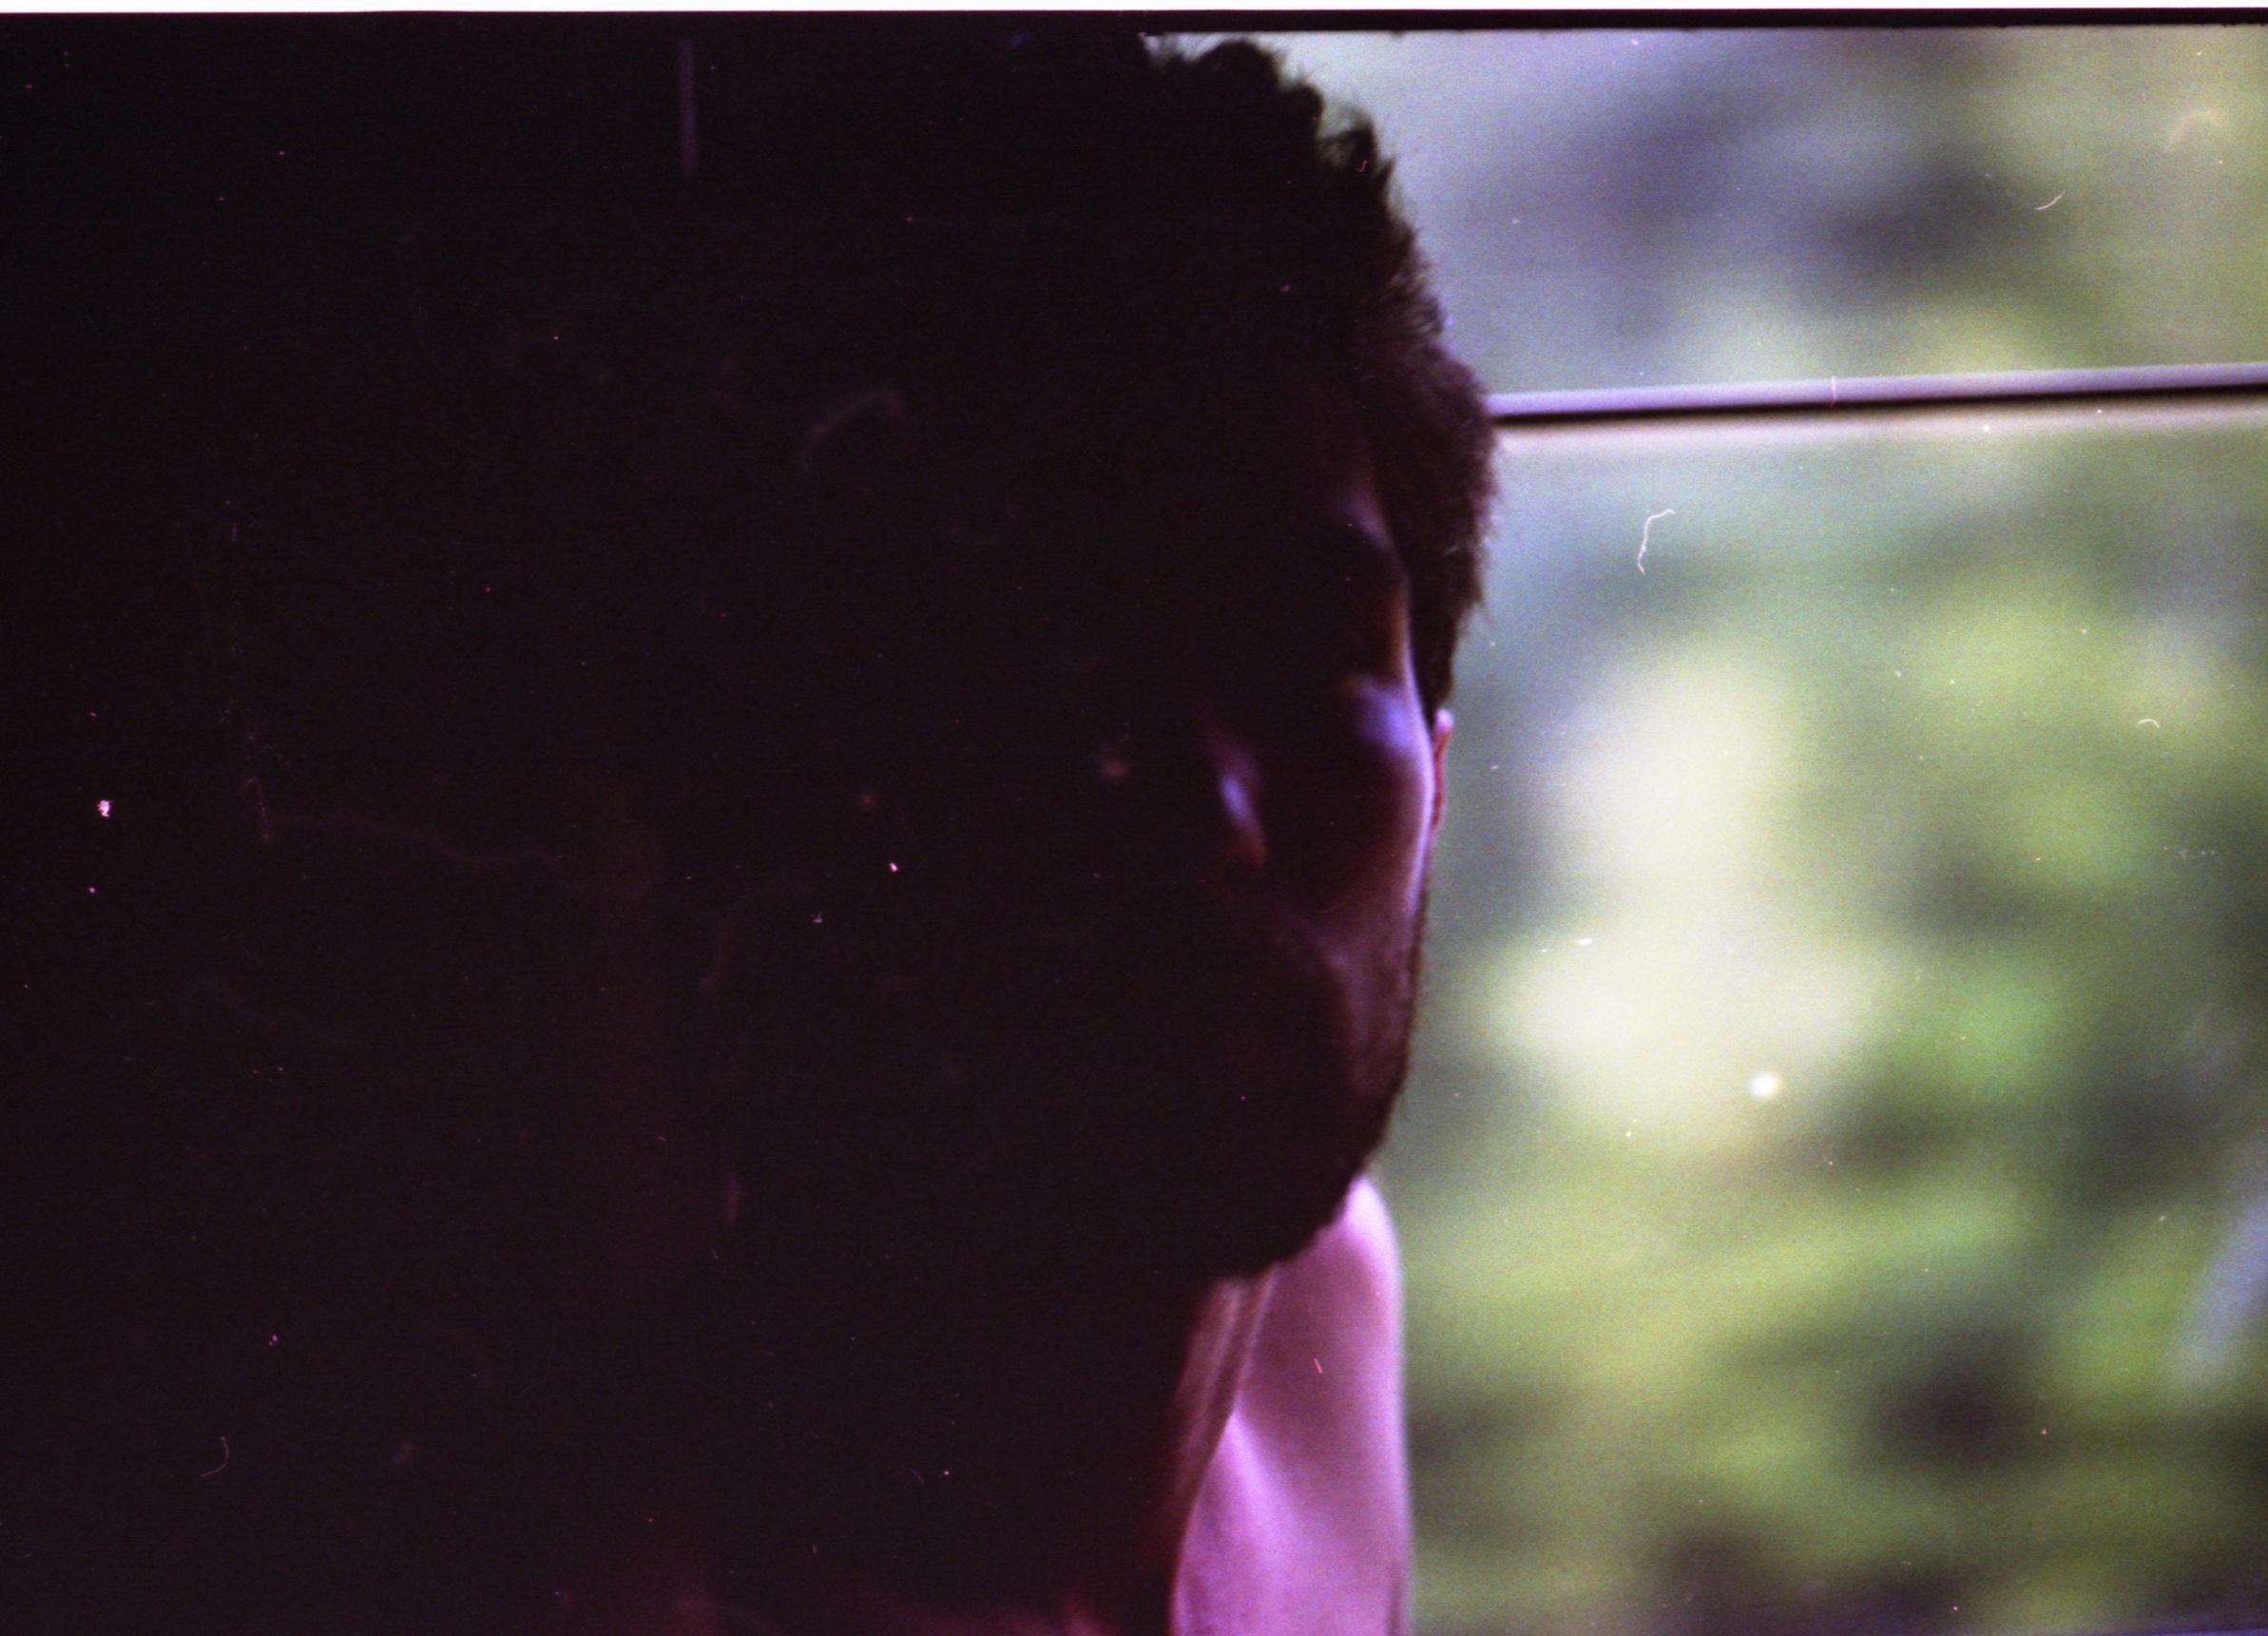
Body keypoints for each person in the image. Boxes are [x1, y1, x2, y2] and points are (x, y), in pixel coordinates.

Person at [1, 20, 1493, 1634]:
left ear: (1436, 756)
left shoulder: (1322, 1310)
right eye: (1054, 672)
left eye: (1299, 647)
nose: (1208, 811)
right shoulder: (607, 1589)